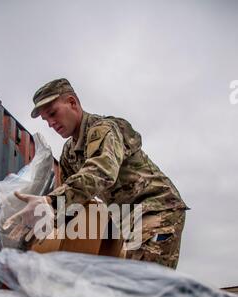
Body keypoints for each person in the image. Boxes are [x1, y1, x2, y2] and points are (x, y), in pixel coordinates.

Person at [13, 78, 189, 269]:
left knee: (146, 287)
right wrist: (42, 224)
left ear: (72, 102)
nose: (51, 123)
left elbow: (102, 171)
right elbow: (73, 203)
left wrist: (49, 202)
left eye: (53, 113)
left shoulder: (103, 129)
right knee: (133, 287)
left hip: (156, 209)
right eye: (46, 120)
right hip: (127, 220)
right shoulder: (69, 153)